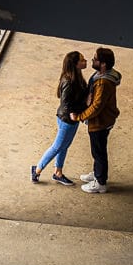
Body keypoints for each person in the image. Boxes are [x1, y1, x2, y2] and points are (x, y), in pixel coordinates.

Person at [31, 51, 88, 185]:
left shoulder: (77, 76)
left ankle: (58, 172)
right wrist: (78, 111)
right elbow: (66, 103)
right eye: (82, 60)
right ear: (75, 64)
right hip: (67, 120)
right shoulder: (69, 81)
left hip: (71, 119)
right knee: (57, 147)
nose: (86, 61)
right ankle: (37, 169)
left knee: (64, 146)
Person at [77, 47, 122, 194]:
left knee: (99, 152)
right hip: (104, 120)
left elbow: (97, 106)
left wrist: (80, 116)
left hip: (100, 123)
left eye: (95, 59)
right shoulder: (102, 75)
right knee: (97, 151)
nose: (92, 60)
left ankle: (100, 182)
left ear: (103, 64)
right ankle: (97, 173)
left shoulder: (103, 83)